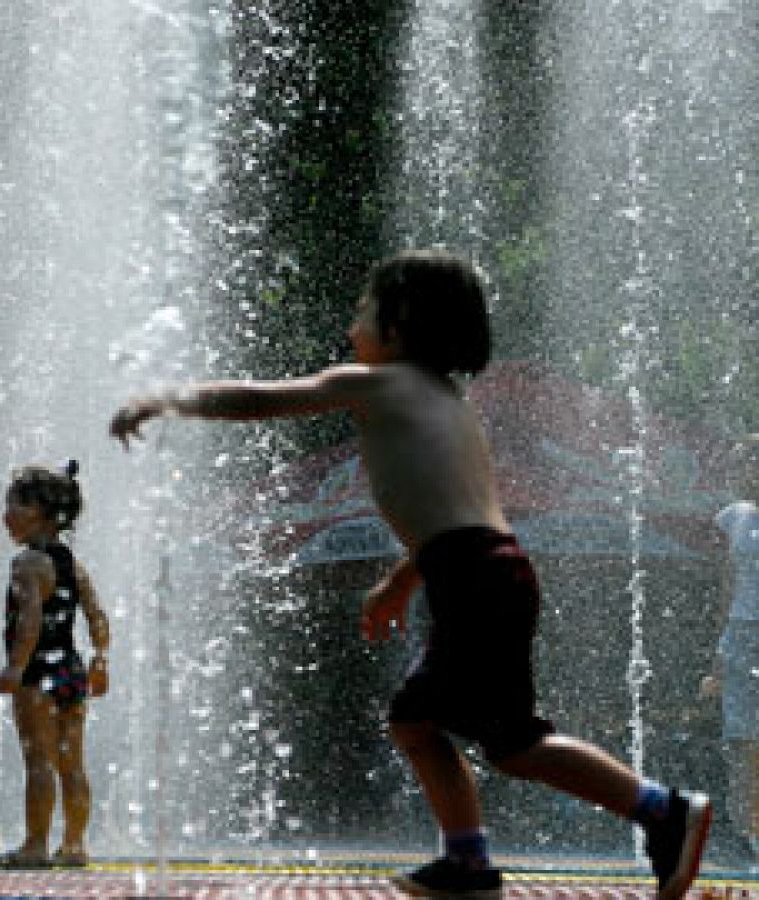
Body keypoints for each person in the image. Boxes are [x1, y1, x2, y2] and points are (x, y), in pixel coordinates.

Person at [109, 249, 711, 898]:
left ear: (398, 328)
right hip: (482, 569)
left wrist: (167, 399)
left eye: (362, 313)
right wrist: (401, 581)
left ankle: (659, 811)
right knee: (421, 721)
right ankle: (470, 861)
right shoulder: (452, 403)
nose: (350, 328)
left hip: (473, 575)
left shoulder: (381, 384)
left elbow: (266, 401)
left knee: (512, 743)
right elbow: (455, 514)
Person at [0, 461, 111, 869]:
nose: (4, 514)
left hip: (37, 673)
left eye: (13, 505)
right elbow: (97, 615)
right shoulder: (71, 564)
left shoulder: (28, 564)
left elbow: (29, 620)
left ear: (40, 512)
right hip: (71, 673)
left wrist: (14, 667)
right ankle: (75, 845)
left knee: (39, 760)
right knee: (72, 762)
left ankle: (36, 846)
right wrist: (100, 660)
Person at [703, 433, 759, 864]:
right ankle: (751, 836)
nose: (737, 471)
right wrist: (719, 651)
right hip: (742, 634)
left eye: (743, 462)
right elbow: (728, 584)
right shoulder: (734, 516)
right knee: (741, 736)